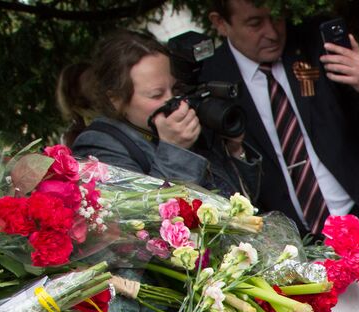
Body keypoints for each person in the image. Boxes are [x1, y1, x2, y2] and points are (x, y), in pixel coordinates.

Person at [198, 0, 359, 295]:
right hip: (300, 246)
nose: (272, 32)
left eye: (278, 18)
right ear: (221, 23)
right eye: (255, 23)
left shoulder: (316, 43)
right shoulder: (211, 78)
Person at [60, 30, 261, 197]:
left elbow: (241, 201)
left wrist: (234, 150)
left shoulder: (176, 123)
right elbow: (141, 226)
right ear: (116, 100)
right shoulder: (98, 146)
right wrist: (175, 149)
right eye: (156, 94)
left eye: (175, 90)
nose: (173, 102)